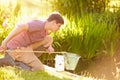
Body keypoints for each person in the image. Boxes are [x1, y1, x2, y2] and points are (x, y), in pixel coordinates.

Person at [0, 12, 64, 71]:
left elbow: (44, 39)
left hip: (25, 49)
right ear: (53, 23)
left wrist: (49, 47)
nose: (59, 29)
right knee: (39, 68)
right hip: (16, 49)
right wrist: (5, 42)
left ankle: (15, 61)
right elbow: (20, 26)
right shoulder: (39, 25)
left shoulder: (45, 31)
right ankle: (10, 61)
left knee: (49, 39)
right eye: (59, 26)